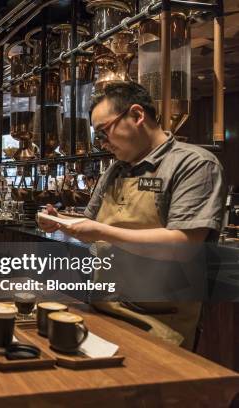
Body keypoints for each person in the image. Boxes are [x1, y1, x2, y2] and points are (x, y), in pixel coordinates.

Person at [38, 81, 225, 350]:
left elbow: (185, 243)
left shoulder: (194, 164)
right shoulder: (116, 171)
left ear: (137, 115)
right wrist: (60, 221)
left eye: (104, 132)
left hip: (159, 323)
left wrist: (101, 232)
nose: (102, 143)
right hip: (104, 310)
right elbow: (92, 226)